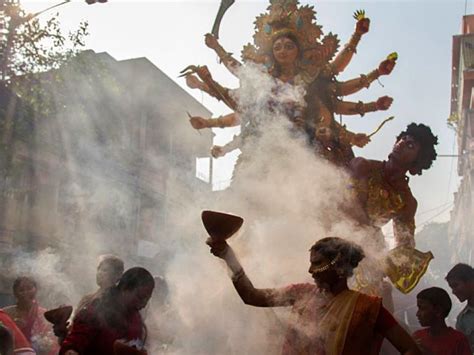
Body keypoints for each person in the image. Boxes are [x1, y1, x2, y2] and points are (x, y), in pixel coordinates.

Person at [184, 1, 396, 166]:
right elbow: (240, 99)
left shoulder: (312, 79)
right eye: (277, 48)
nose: (282, 51)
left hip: (304, 150)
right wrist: (215, 50)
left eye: (288, 46)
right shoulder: (262, 82)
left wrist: (362, 45)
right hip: (262, 149)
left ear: (298, 50)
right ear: (272, 53)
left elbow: (330, 106)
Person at [207, 235, 421, 354]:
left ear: (338, 265)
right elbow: (251, 296)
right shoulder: (300, 293)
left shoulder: (367, 308)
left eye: (317, 264)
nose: (310, 271)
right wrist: (228, 257)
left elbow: (410, 349)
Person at [348, 123, 438, 299]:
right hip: (337, 233)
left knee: (379, 295)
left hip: (370, 248)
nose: (401, 144)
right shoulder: (363, 167)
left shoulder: (407, 202)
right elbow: (352, 209)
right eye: (402, 139)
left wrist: (386, 263)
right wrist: (372, 250)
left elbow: (404, 244)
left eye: (410, 145)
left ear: (417, 161)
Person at [59, 267, 155, 355]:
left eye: (147, 299)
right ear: (124, 289)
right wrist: (71, 351)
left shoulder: (136, 318)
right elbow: (73, 344)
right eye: (140, 297)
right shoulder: (97, 310)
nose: (143, 304)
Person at [3, 277, 58, 355]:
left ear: (36, 290)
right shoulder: (6, 313)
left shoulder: (45, 314)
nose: (26, 292)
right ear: (15, 293)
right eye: (21, 290)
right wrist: (13, 328)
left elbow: (51, 340)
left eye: (29, 288)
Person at [413, 287, 471, 355]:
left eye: (422, 308)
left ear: (438, 311)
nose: (417, 314)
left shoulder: (458, 340)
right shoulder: (417, 337)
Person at [446, 263, 474, 352]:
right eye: (451, 287)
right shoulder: (462, 319)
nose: (453, 291)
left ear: (470, 281)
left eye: (456, 285)